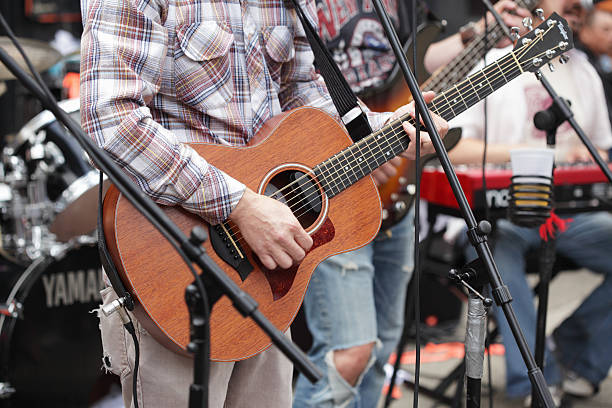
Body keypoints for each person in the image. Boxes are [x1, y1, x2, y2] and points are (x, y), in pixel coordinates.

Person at [79, 0, 450, 406]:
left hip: (268, 265)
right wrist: (238, 205)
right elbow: (111, 119)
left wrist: (383, 128)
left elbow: (303, 94)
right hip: (172, 253)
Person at [292, 1, 529, 407]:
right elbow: (290, 83)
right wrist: (355, 148)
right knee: (349, 352)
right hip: (327, 178)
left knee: (382, 347)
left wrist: (480, 33)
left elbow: (412, 58)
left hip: (392, 184)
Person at [449, 0, 612, 404]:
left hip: (568, 215)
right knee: (495, 251)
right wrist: (530, 152)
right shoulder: (492, 63)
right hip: (497, 218)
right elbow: (454, 148)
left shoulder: (583, 69)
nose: (579, 5)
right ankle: (537, 382)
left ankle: (576, 357)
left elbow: (602, 151)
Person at [577, 3, 612, 144]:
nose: (611, 36)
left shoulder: (598, 61)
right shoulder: (580, 63)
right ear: (585, 31)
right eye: (605, 30)